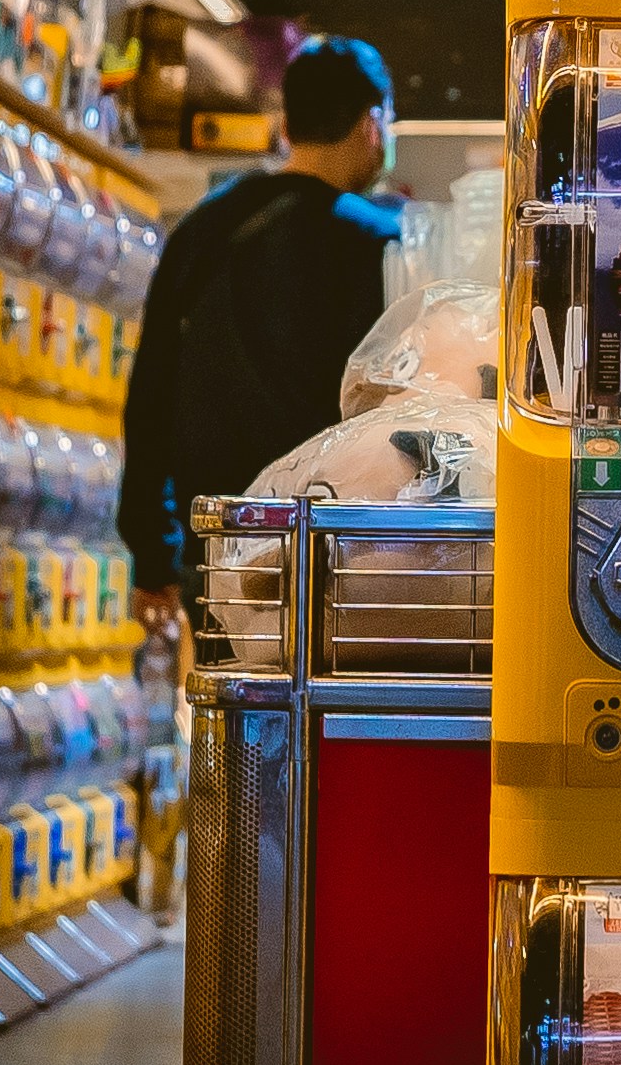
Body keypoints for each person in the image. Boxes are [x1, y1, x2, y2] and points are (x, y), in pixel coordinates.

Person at [118, 34, 408, 627]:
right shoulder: (377, 245)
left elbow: (151, 395)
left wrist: (153, 554)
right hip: (335, 548)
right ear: (370, 123)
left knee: (235, 711)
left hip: (218, 546)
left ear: (288, 123)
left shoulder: (203, 230)